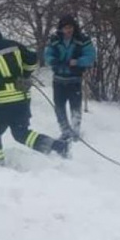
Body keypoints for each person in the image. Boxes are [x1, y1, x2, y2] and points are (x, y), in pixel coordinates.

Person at [0, 27, 68, 164]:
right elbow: (31, 60)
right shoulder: (14, 45)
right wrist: (24, 75)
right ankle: (57, 147)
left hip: (2, 101)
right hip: (21, 99)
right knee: (21, 134)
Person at [44, 14, 97, 144]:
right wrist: (53, 61)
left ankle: (75, 132)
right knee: (59, 107)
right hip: (58, 80)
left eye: (70, 27)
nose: (68, 30)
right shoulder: (54, 40)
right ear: (61, 29)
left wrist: (78, 62)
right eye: (66, 28)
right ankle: (65, 131)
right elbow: (47, 55)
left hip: (75, 79)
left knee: (75, 107)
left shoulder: (82, 40)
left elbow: (90, 56)